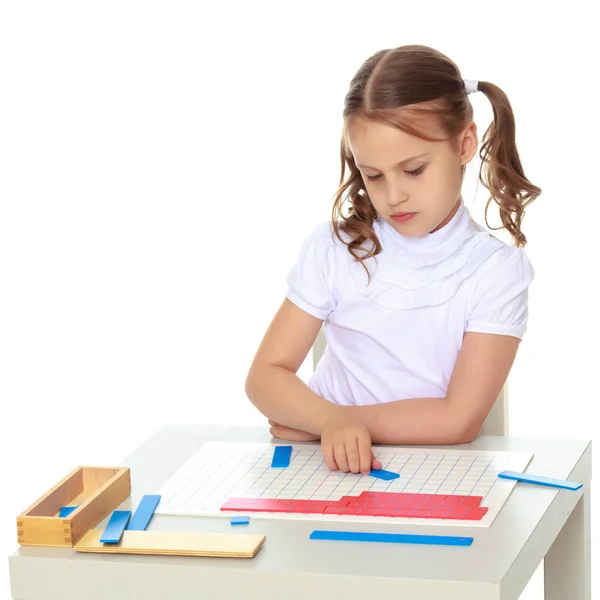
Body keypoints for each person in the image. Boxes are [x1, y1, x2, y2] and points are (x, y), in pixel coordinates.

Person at [245, 44, 541, 476]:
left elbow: (459, 419)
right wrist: (329, 421)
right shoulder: (335, 249)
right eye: (374, 175)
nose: (393, 195)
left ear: (465, 143)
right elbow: (265, 375)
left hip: (435, 474)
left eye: (415, 170)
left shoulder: (495, 272)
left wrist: (336, 421)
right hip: (319, 469)